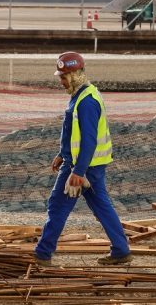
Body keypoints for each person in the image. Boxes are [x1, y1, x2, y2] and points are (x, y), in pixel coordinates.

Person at [34, 51, 132, 266]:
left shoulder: (87, 101)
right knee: (101, 206)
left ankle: (42, 254)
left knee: (58, 206)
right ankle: (121, 250)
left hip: (83, 166)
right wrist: (62, 154)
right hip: (88, 165)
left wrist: (78, 171)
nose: (61, 81)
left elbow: (89, 141)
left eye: (63, 77)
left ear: (75, 75)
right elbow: (73, 132)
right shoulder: (81, 95)